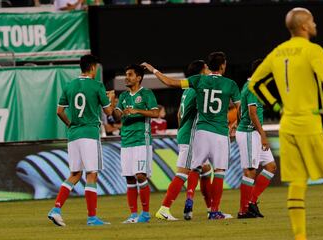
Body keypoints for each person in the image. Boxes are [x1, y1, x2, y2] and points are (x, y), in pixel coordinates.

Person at [249, 8, 323, 240]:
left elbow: (256, 84)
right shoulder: (313, 50)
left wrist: (277, 107)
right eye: (312, 20)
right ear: (304, 26)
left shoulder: (277, 51)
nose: (315, 24)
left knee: (297, 181)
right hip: (313, 121)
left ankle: (300, 236)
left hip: (288, 123)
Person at [142, 51, 241, 220]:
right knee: (217, 172)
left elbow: (170, 83)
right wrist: (235, 124)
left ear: (209, 67)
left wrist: (154, 70)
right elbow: (240, 108)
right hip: (218, 132)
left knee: (199, 168)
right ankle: (212, 210)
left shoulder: (196, 82)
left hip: (200, 132)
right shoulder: (230, 84)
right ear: (223, 65)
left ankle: (195, 200)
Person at [48, 54, 115, 226]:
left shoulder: (69, 86)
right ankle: (92, 217)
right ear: (93, 67)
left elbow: (59, 111)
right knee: (92, 174)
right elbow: (109, 113)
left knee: (75, 174)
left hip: (74, 135)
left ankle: (56, 209)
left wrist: (70, 124)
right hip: (90, 134)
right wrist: (112, 99)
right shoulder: (97, 85)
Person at [154, 60, 215, 221]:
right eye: (207, 68)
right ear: (201, 72)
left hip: (186, 133)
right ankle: (164, 208)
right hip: (191, 136)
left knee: (206, 169)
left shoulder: (187, 90)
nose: (209, 70)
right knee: (183, 173)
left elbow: (179, 115)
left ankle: (211, 210)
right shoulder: (198, 89)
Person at [113, 64, 159, 223]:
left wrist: (137, 111)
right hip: (126, 141)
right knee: (129, 178)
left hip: (141, 140)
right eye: (126, 74)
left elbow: (156, 112)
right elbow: (116, 117)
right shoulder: (124, 96)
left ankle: (145, 214)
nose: (127, 77)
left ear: (138, 77)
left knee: (140, 175)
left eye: (130, 74)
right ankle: (133, 215)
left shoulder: (146, 94)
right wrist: (113, 106)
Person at [236, 59, 277, 219]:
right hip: (249, 133)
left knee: (271, 166)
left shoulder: (253, 86)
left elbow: (241, 107)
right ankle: (243, 211)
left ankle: (251, 202)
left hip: (252, 132)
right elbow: (252, 113)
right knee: (250, 171)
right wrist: (263, 135)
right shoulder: (252, 87)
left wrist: (236, 122)